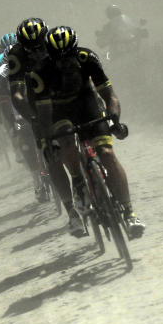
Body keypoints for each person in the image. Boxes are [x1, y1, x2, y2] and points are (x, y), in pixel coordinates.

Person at [32, 26, 145, 238]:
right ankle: (78, 180)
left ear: (76, 51)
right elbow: (45, 113)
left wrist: (115, 120)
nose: (64, 62)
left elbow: (109, 95)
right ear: (50, 56)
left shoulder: (87, 57)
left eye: (69, 57)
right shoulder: (42, 71)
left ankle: (130, 213)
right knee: (65, 141)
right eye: (59, 59)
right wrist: (49, 140)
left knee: (107, 153)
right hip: (58, 111)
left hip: (86, 104)